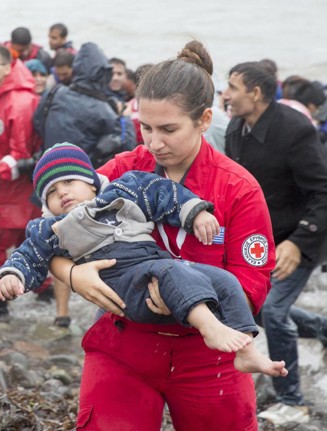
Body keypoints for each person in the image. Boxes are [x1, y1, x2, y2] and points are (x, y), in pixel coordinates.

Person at [47, 40, 275, 430]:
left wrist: (182, 299)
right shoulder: (123, 170)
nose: (154, 143)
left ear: (204, 120)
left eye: (169, 129)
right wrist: (71, 274)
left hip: (211, 352)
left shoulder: (238, 188)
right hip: (122, 341)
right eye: (145, 127)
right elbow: (51, 229)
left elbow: (252, 283)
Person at [0, 142, 287, 376]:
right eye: (51, 193)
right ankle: (210, 326)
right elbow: (29, 253)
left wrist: (194, 212)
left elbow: (162, 192)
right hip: (126, 283)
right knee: (171, 271)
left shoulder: (120, 189)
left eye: (69, 181)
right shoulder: (52, 227)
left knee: (223, 279)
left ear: (93, 182)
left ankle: (246, 349)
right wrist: (13, 274)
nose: (62, 193)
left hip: (153, 263)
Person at [224, 61, 327, 425]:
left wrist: (299, 242)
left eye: (233, 87)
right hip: (259, 240)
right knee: (251, 306)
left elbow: (323, 191)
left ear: (255, 92)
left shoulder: (295, 128)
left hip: (301, 237)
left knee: (275, 311)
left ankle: (293, 401)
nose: (226, 95)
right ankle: (322, 330)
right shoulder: (237, 128)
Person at [0, 44, 48, 320]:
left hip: (15, 188)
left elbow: (23, 154)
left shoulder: (19, 102)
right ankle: (45, 292)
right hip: (2, 185)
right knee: (24, 240)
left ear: (8, 67)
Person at [33, 42, 136, 168]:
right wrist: (126, 119)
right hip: (82, 174)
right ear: (103, 73)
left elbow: (37, 122)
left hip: (49, 167)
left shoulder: (54, 93)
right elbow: (127, 149)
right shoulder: (104, 111)